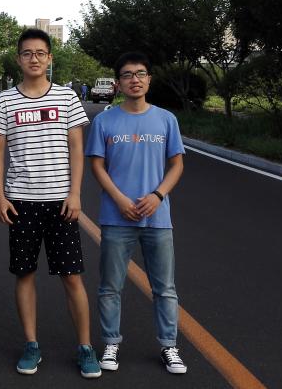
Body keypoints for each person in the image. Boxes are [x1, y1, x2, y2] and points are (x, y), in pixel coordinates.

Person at [0, 29, 101, 379]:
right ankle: (31, 344)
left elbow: (76, 148)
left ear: (50, 58)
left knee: (72, 277)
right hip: (21, 202)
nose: (34, 58)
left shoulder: (67, 97)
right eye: (27, 53)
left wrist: (75, 193)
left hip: (60, 203)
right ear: (19, 59)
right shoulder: (5, 101)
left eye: (40, 53)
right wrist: (0, 196)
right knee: (24, 275)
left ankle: (85, 347)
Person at [85, 51, 188, 375]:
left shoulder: (166, 119)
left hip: (158, 218)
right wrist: (119, 199)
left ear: (149, 80)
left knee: (165, 288)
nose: (135, 79)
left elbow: (177, 164)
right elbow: (97, 166)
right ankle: (111, 343)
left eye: (140, 73)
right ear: (118, 83)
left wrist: (158, 196)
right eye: (127, 75)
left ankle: (169, 346)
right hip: (116, 217)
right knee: (110, 286)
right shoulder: (105, 121)